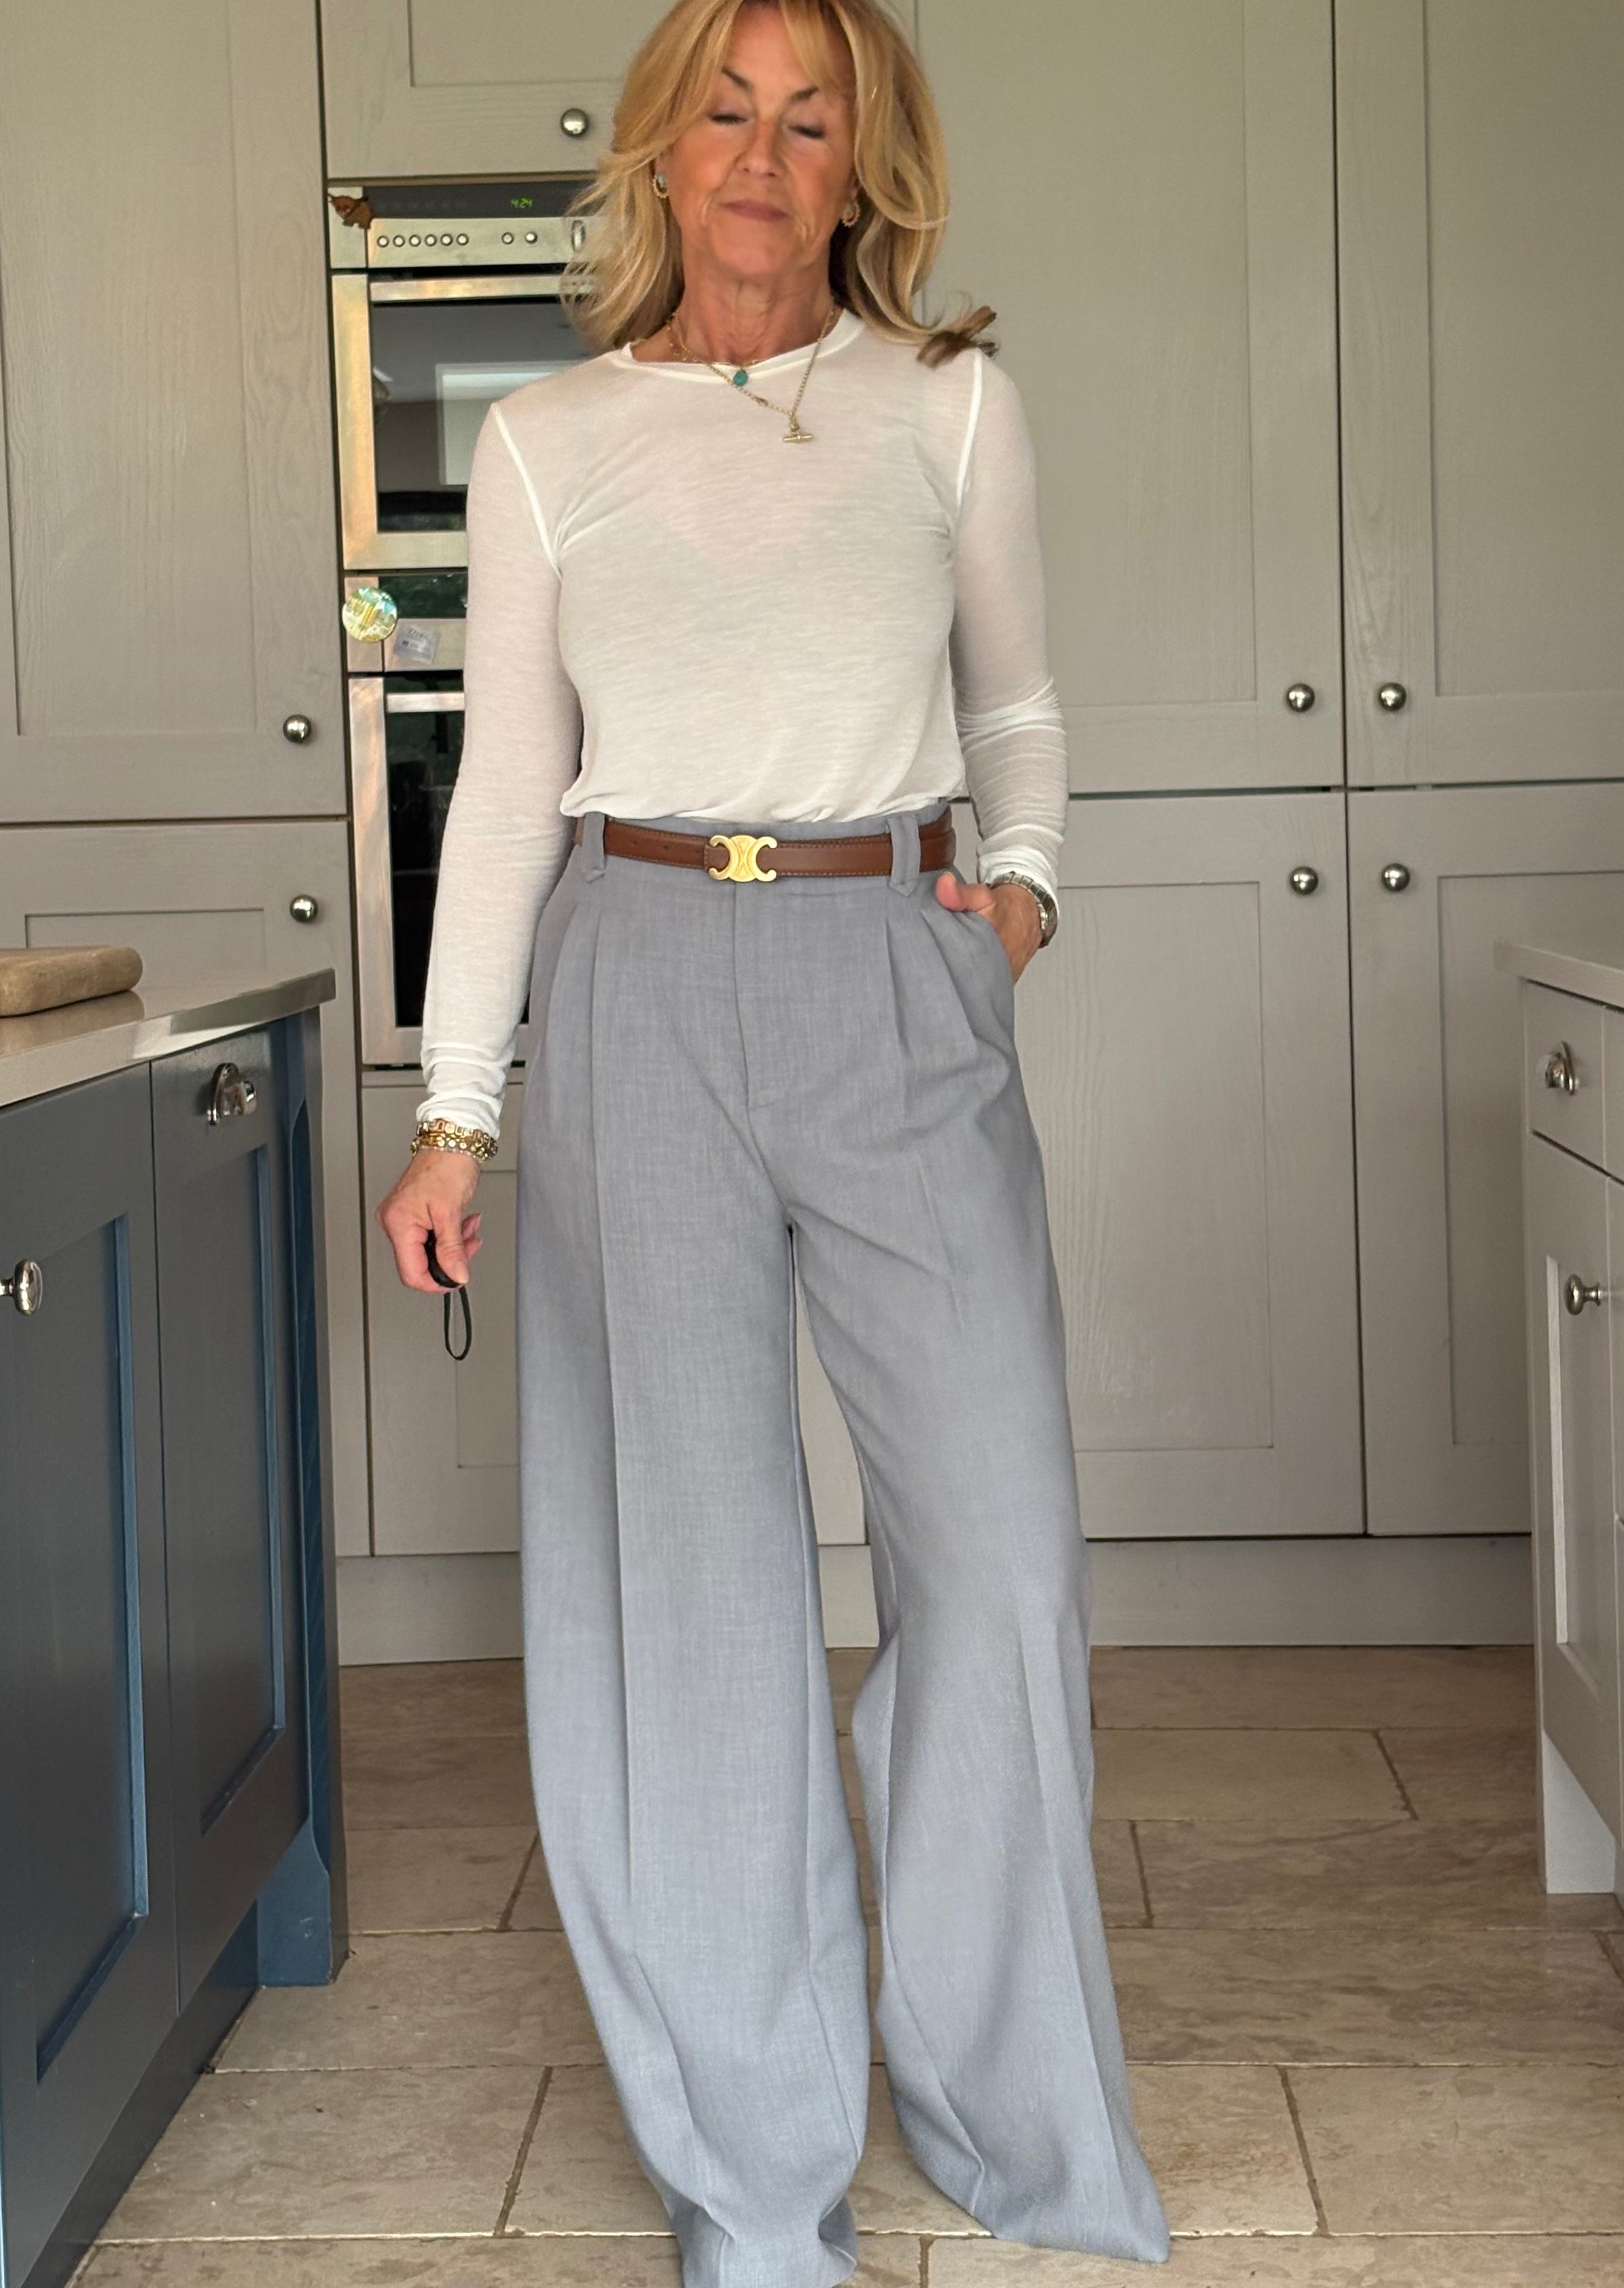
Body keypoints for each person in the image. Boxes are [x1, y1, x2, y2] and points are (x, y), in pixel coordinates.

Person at [374, 0, 1173, 2279]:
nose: (761, 152)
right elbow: (507, 793)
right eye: (724, 109)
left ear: (863, 162)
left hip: (893, 963)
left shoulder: (948, 406)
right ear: (662, 146)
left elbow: (1016, 705)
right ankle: (754, 2179)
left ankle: (1023, 2132)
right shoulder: (548, 441)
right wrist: (457, 1112)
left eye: (810, 117)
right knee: (694, 1590)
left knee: (1000, 1559)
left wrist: (1014, 907)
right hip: (637, 972)